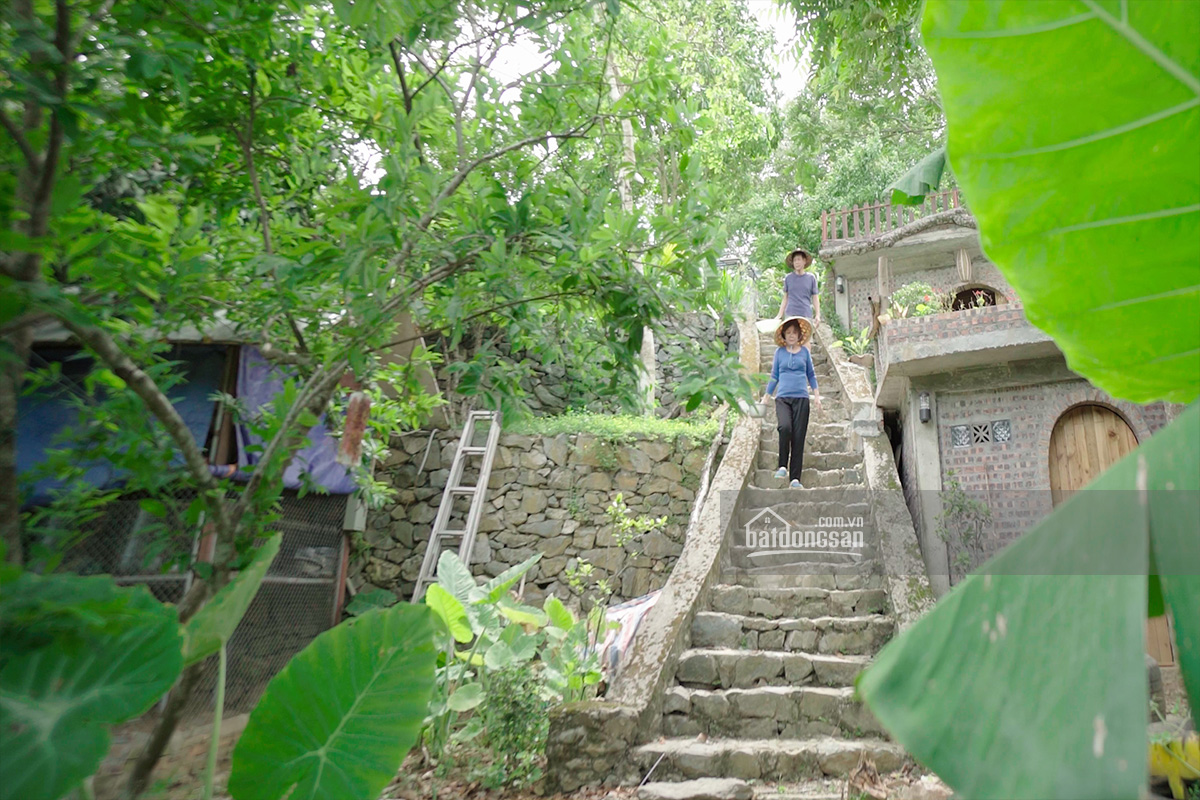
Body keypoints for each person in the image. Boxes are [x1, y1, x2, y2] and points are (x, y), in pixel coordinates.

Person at [761, 316, 821, 488]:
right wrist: (766, 396)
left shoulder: (805, 352)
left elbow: (811, 375)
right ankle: (782, 466)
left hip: (802, 398)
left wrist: (816, 396)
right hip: (783, 398)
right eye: (788, 332)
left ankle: (795, 478)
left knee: (798, 438)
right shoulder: (779, 353)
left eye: (795, 332)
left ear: (799, 334)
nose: (792, 335)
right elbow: (774, 376)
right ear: (784, 335)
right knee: (784, 427)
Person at [778, 248, 821, 324]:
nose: (797, 262)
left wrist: (817, 315)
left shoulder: (811, 278)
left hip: (806, 314)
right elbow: (785, 298)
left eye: (799, 259)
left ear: (804, 261)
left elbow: (815, 298)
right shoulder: (788, 278)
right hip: (790, 315)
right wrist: (779, 315)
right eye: (795, 260)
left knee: (806, 335)